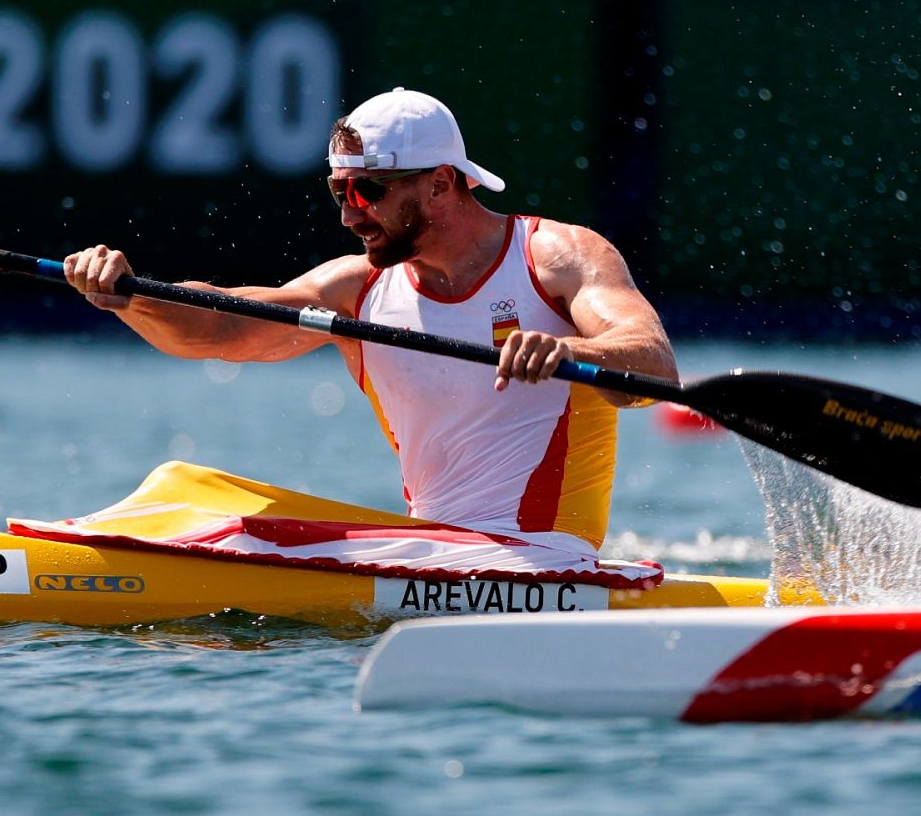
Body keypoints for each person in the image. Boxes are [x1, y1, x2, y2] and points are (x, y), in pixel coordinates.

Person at [63, 87, 676, 557]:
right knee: (185, 489)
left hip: (544, 559)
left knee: (232, 534)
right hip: (432, 553)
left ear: (441, 184)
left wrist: (569, 350)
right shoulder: (355, 290)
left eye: (369, 191)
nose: (349, 215)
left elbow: (653, 361)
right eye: (340, 192)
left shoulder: (556, 259)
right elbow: (222, 324)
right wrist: (130, 296)